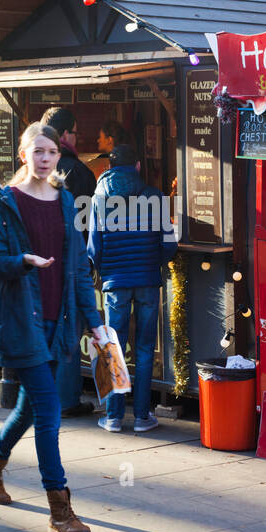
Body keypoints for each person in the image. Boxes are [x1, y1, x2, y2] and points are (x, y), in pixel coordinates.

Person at [0, 122, 108, 532]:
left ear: (59, 155)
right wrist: (23, 262)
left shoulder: (65, 200)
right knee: (49, 413)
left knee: (30, 409)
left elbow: (76, 270)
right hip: (22, 320)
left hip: (60, 321)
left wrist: (97, 324)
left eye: (51, 151)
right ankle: (60, 509)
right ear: (23, 155)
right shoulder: (6, 202)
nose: (45, 158)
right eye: (37, 151)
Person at [87, 144, 177, 433]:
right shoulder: (154, 196)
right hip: (148, 280)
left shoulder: (98, 199)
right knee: (145, 347)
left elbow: (93, 249)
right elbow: (169, 245)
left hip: (115, 284)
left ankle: (113, 417)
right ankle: (141, 416)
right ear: (137, 166)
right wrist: (153, 262)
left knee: (113, 345)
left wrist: (108, 270)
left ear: (108, 169)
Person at [38, 106, 96, 417]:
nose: (77, 136)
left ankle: (48, 398)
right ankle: (67, 400)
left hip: (41, 266)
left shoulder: (37, 174)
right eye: (73, 131)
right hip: (69, 266)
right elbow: (87, 226)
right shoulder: (79, 173)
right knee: (70, 332)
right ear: (64, 135)